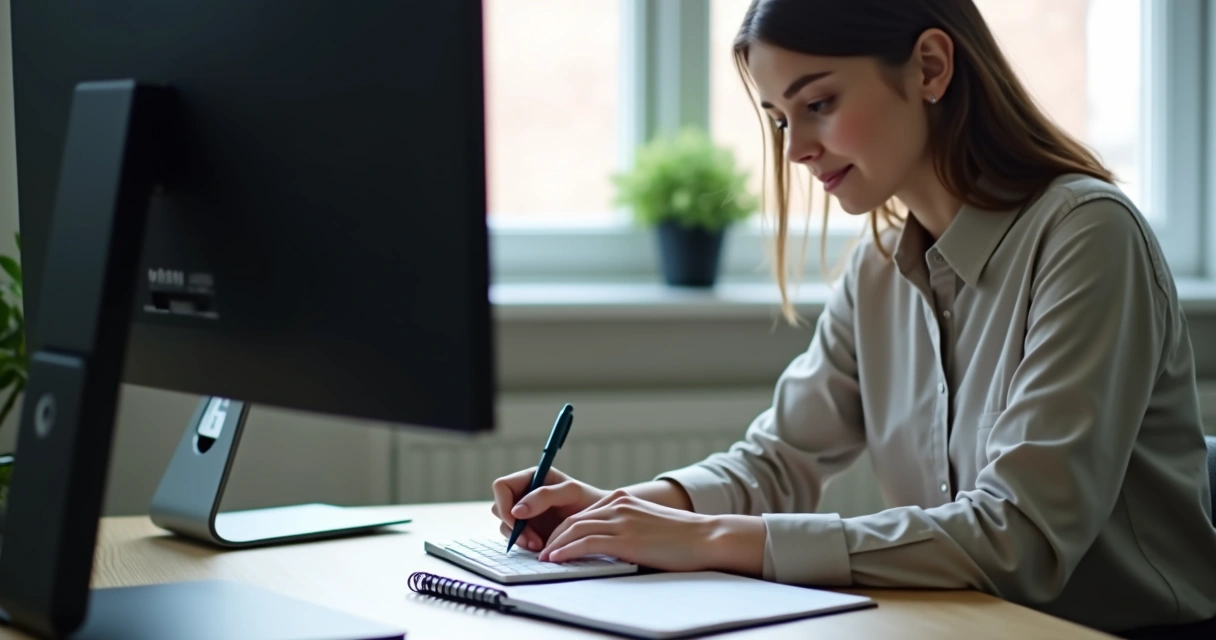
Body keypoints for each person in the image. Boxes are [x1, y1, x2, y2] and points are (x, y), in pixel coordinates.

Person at [491, 0, 1216, 636]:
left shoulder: (1088, 235)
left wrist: (706, 535)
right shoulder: (878, 267)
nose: (797, 149)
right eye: (780, 119)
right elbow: (778, 461)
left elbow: (1018, 539)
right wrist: (622, 511)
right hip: (966, 626)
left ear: (930, 68)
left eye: (820, 103)